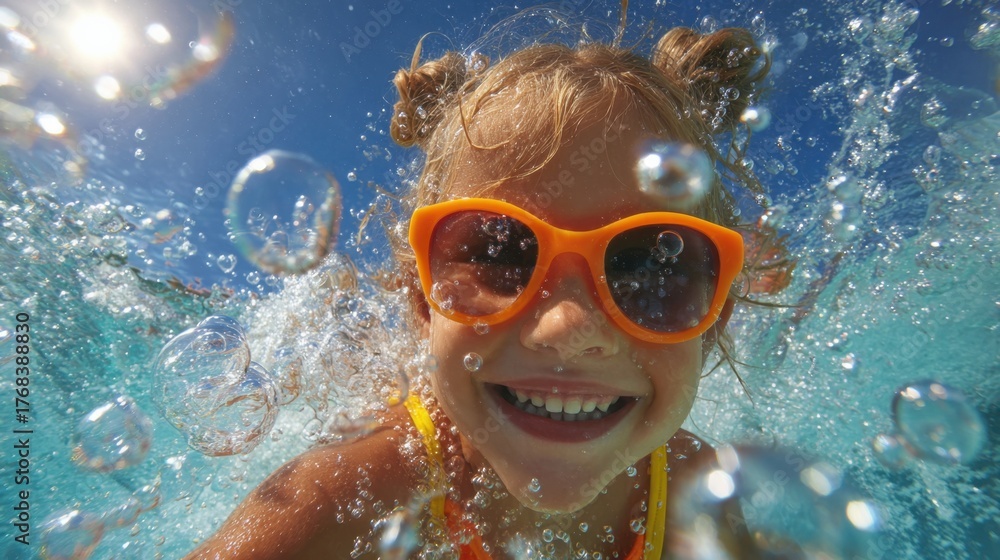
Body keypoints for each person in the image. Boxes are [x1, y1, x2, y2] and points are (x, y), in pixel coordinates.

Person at [186, 16, 769, 560]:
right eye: (501, 254)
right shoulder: (341, 493)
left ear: (713, 314)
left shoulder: (700, 486)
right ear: (424, 301)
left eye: (650, 274)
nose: (567, 330)